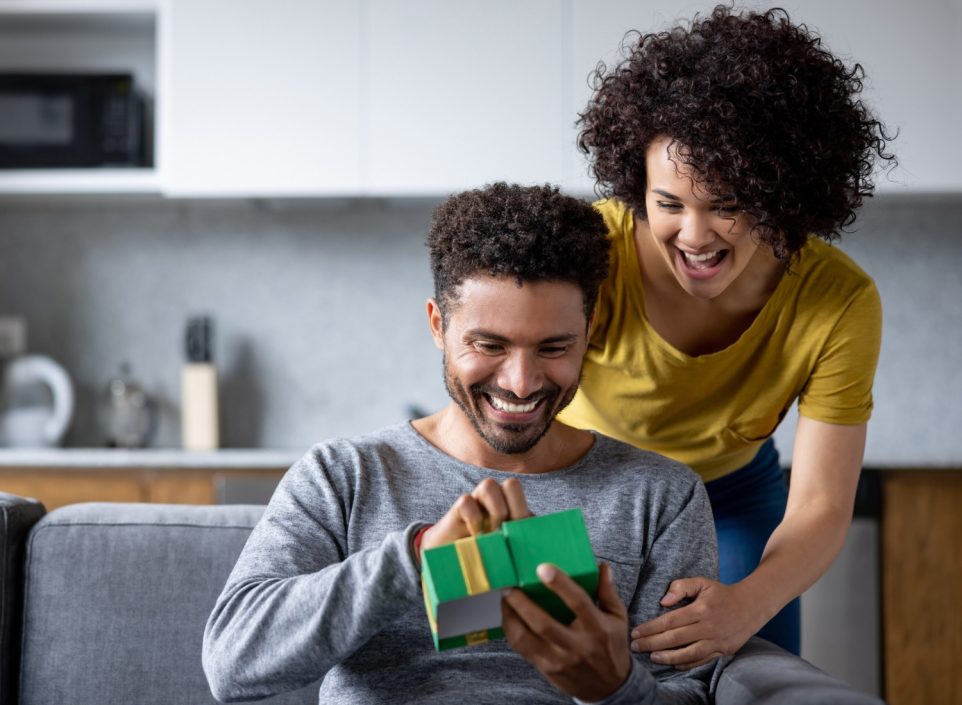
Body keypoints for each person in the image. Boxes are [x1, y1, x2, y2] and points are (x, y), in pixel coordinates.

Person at [202, 183, 722, 704]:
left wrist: (611, 689)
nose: (521, 382)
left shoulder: (660, 497)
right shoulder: (344, 476)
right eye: (489, 345)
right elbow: (233, 664)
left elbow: (690, 694)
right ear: (438, 325)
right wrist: (415, 559)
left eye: (554, 347)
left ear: (588, 330)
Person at [558, 5, 895, 667]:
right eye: (669, 204)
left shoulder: (838, 300)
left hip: (730, 497)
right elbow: (511, 389)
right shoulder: (590, 254)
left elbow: (823, 501)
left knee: (748, 671)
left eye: (728, 205)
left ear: (781, 194)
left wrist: (746, 604)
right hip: (584, 486)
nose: (695, 236)